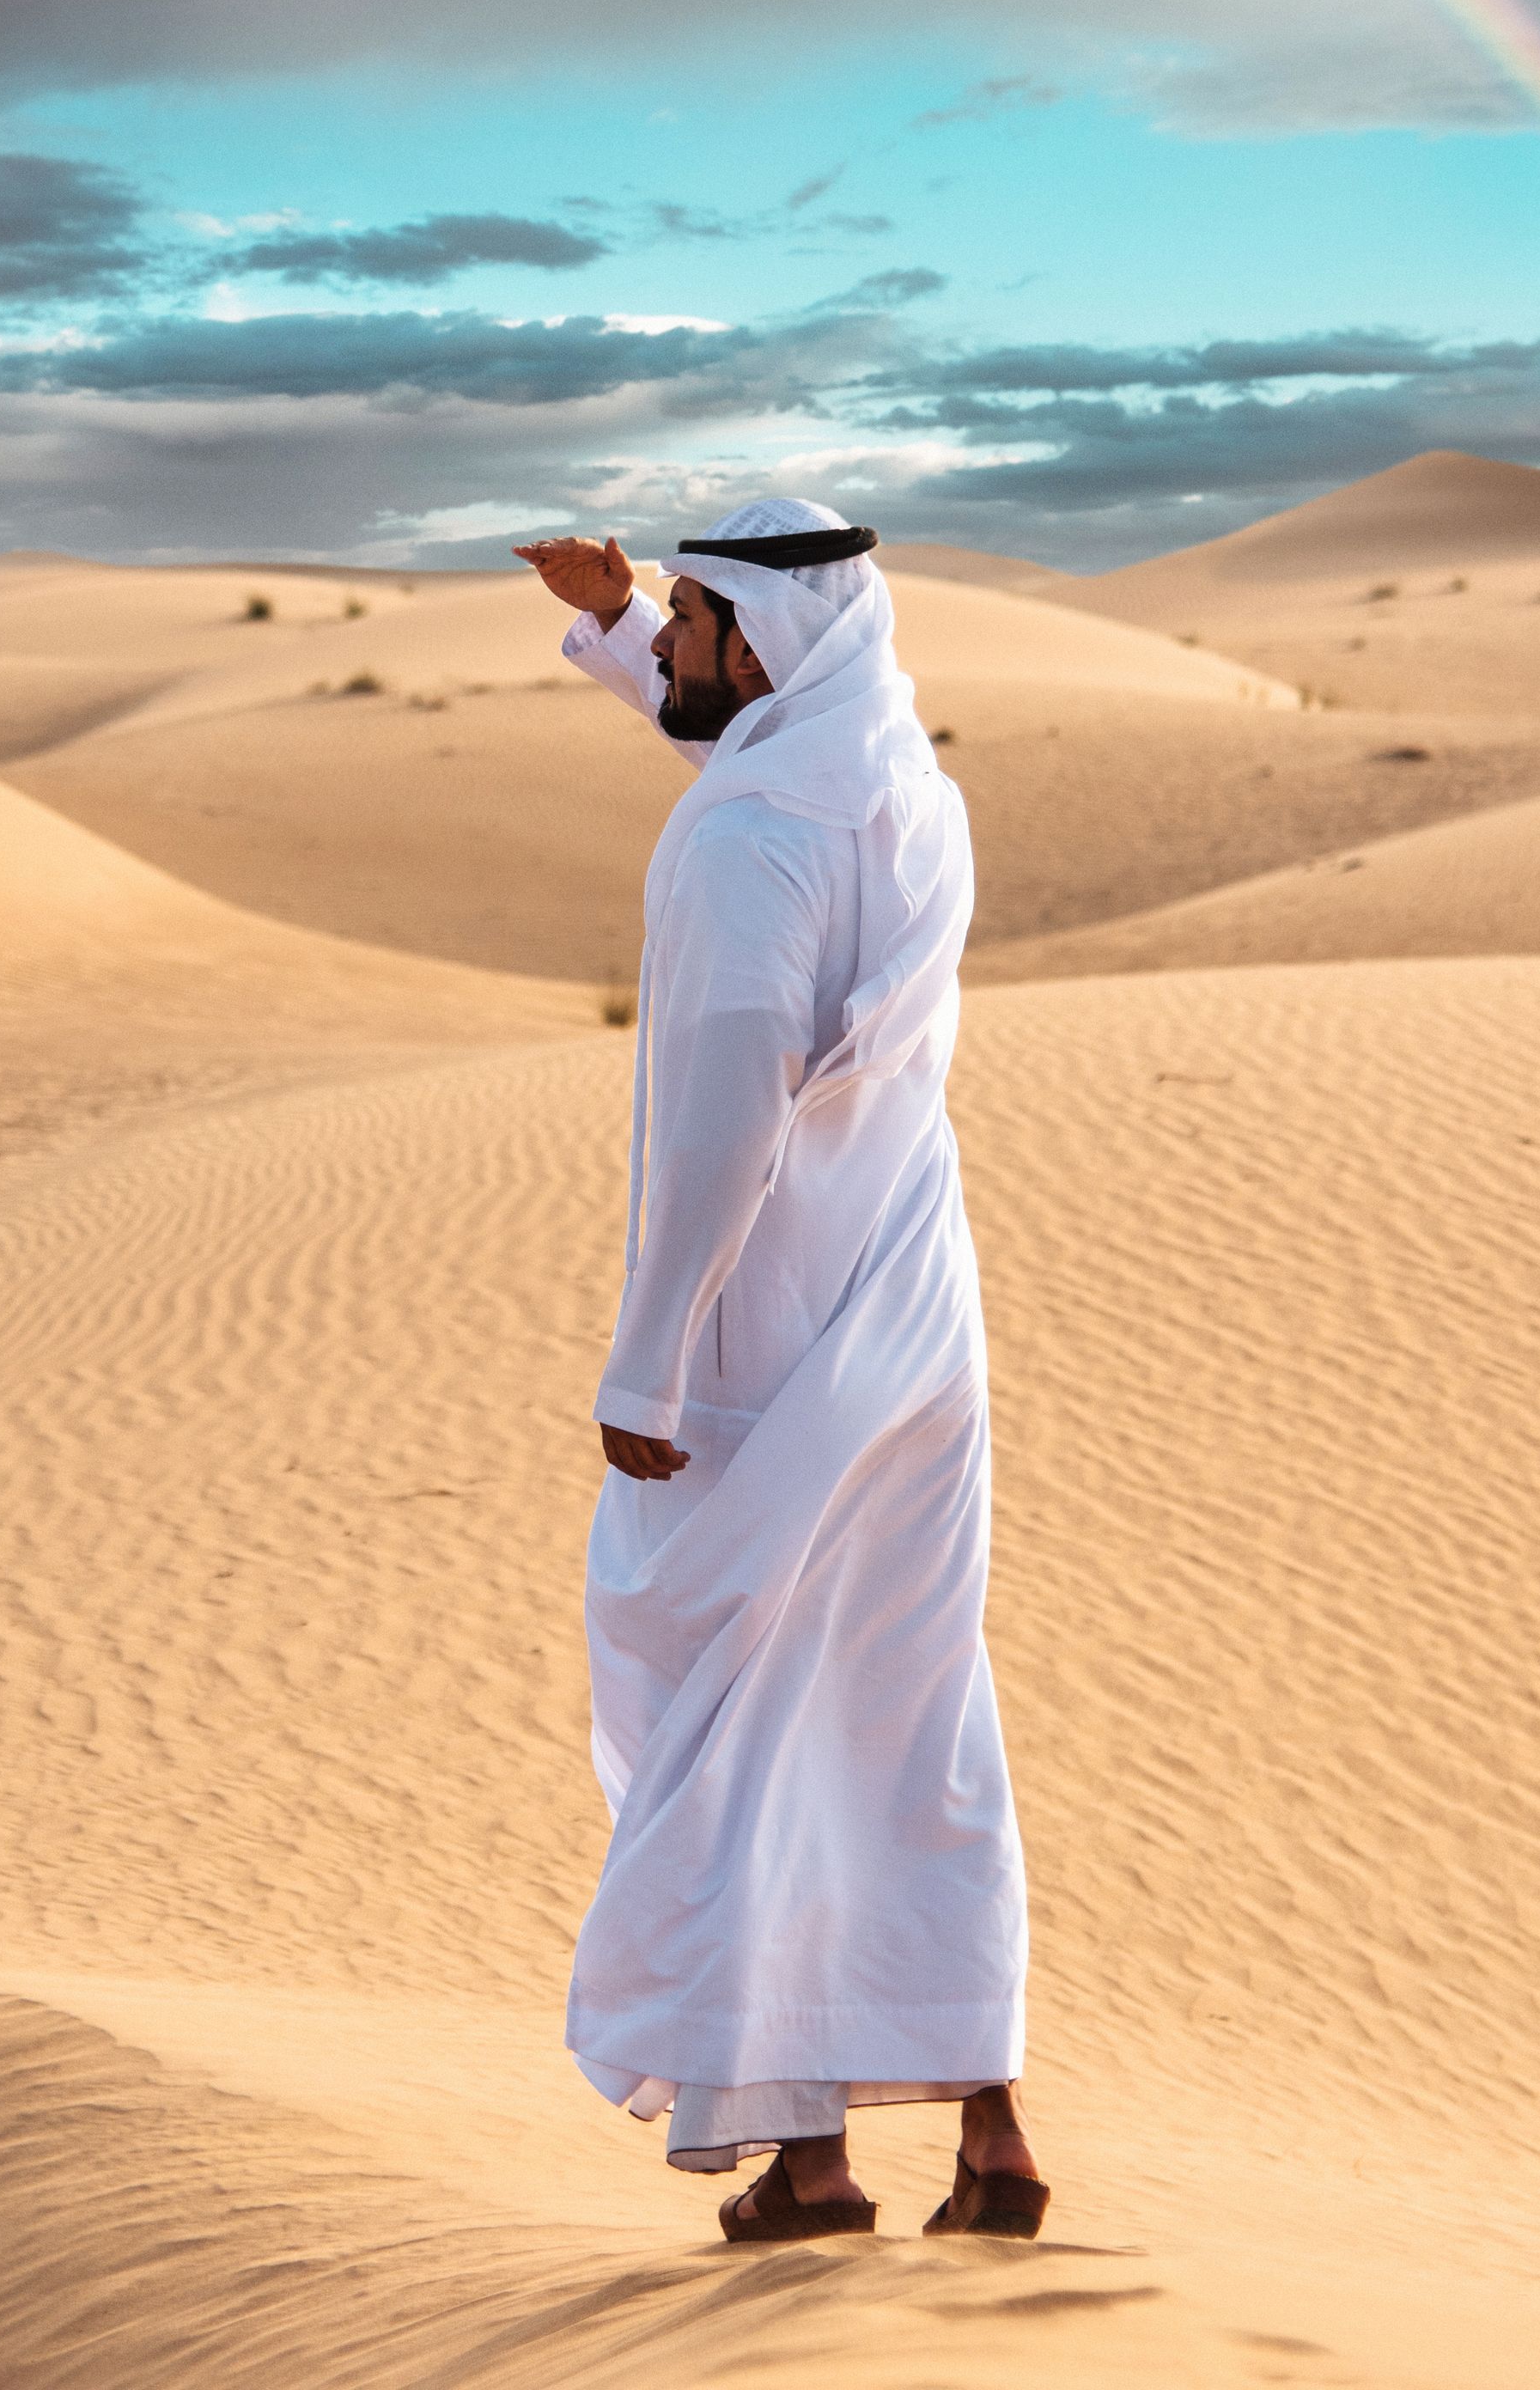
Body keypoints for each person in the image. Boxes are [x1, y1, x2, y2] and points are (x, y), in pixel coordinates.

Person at [510, 498, 1044, 2247]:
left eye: (685, 623)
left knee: (732, 1720)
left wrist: (647, 1362)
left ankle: (809, 2164)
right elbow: (760, 782)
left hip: (763, 1338)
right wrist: (610, 633)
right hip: (913, 1314)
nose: (667, 645)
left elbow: (729, 1115)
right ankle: (990, 2133)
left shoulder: (754, 839)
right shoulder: (900, 781)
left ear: (763, 643)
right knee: (907, 1712)